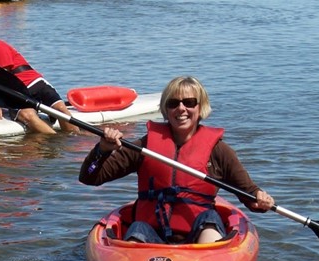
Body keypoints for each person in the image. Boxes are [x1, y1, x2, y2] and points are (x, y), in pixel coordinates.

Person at [79, 76, 275, 244]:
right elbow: (90, 177)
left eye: (189, 102)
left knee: (210, 219)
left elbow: (250, 197)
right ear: (166, 109)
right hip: (151, 235)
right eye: (173, 103)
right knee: (138, 227)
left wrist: (261, 198)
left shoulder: (219, 152)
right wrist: (102, 150)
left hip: (200, 233)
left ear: (201, 107)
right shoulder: (145, 147)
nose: (181, 109)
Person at [0, 17, 80, 134]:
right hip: (18, 93)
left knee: (61, 110)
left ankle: (75, 142)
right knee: (28, 115)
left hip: (35, 83)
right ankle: (55, 143)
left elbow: (1, 80)